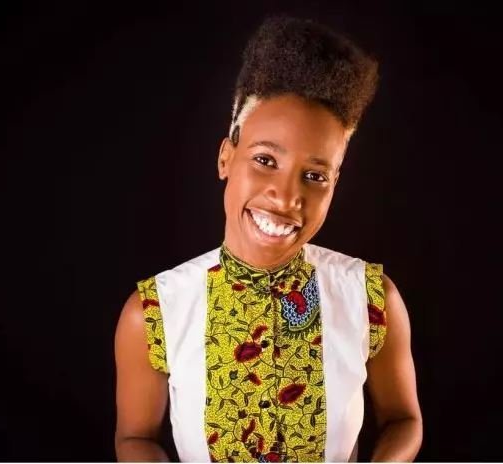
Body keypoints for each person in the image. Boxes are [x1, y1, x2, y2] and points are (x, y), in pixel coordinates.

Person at [114, 16, 422, 462]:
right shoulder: (154, 313)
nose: (286, 196)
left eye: (314, 176)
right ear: (226, 157)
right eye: (265, 160)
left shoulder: (372, 300)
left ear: (335, 183)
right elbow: (135, 439)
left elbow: (404, 420)